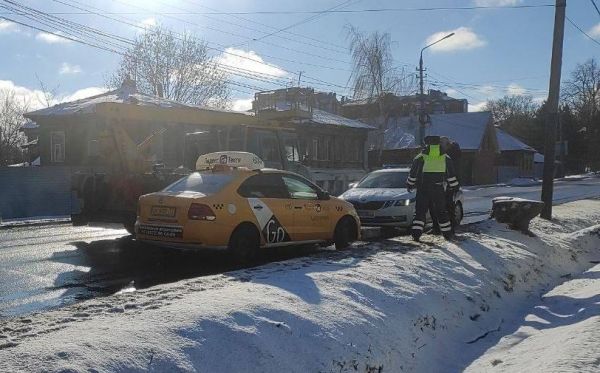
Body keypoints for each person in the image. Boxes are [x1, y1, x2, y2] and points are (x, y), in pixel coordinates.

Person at [406, 135, 459, 241]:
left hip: (423, 188)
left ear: (426, 144)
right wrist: (454, 187)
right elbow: (451, 174)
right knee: (441, 211)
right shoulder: (445, 157)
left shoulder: (420, 156)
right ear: (438, 143)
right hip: (438, 188)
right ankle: (447, 234)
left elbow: (413, 173)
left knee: (420, 211)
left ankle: (416, 234)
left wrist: (410, 184)